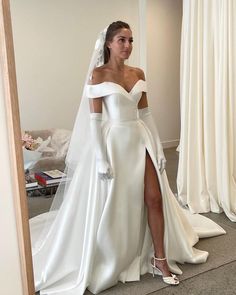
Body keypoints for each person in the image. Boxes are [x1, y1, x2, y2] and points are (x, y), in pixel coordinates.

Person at [30, 21, 225, 295]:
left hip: (140, 139)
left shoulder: (138, 73)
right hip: (113, 144)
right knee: (114, 205)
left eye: (131, 40)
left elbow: (145, 114)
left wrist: (157, 148)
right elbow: (95, 121)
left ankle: (160, 260)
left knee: (155, 199)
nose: (127, 46)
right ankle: (112, 257)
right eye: (122, 40)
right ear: (109, 43)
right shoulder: (97, 75)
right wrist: (100, 158)